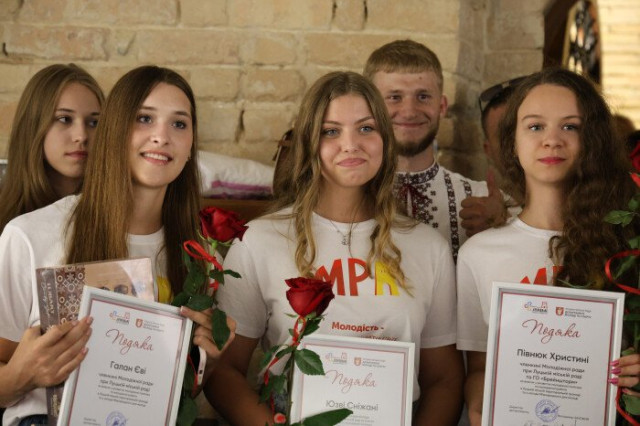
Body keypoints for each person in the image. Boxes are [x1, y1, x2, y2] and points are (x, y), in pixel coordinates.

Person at [205, 71, 463, 425]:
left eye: (366, 128)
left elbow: (444, 379)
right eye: (331, 131)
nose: (350, 144)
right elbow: (224, 370)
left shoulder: (428, 247)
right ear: (309, 141)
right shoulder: (259, 240)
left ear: (385, 140)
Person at [0, 65, 234, 426]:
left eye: (179, 123)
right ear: (114, 131)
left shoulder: (203, 256)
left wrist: (209, 361)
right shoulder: (28, 235)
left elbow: (177, 397)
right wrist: (25, 374)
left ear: (191, 146)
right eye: (144, 118)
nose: (161, 137)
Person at [456, 67, 638, 425]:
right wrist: (479, 411)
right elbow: (479, 367)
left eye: (570, 127)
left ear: (594, 140)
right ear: (512, 142)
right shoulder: (478, 254)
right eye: (535, 126)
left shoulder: (628, 244)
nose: (552, 140)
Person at [363, 39, 508, 260]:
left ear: (441, 106)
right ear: (370, 108)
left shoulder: (483, 199)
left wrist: (503, 229)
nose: (409, 112)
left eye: (423, 97)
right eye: (394, 97)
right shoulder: (347, 198)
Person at [0, 64, 104, 233]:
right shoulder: (11, 226)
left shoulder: (120, 216)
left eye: (94, 122)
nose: (81, 136)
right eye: (64, 119)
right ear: (33, 126)